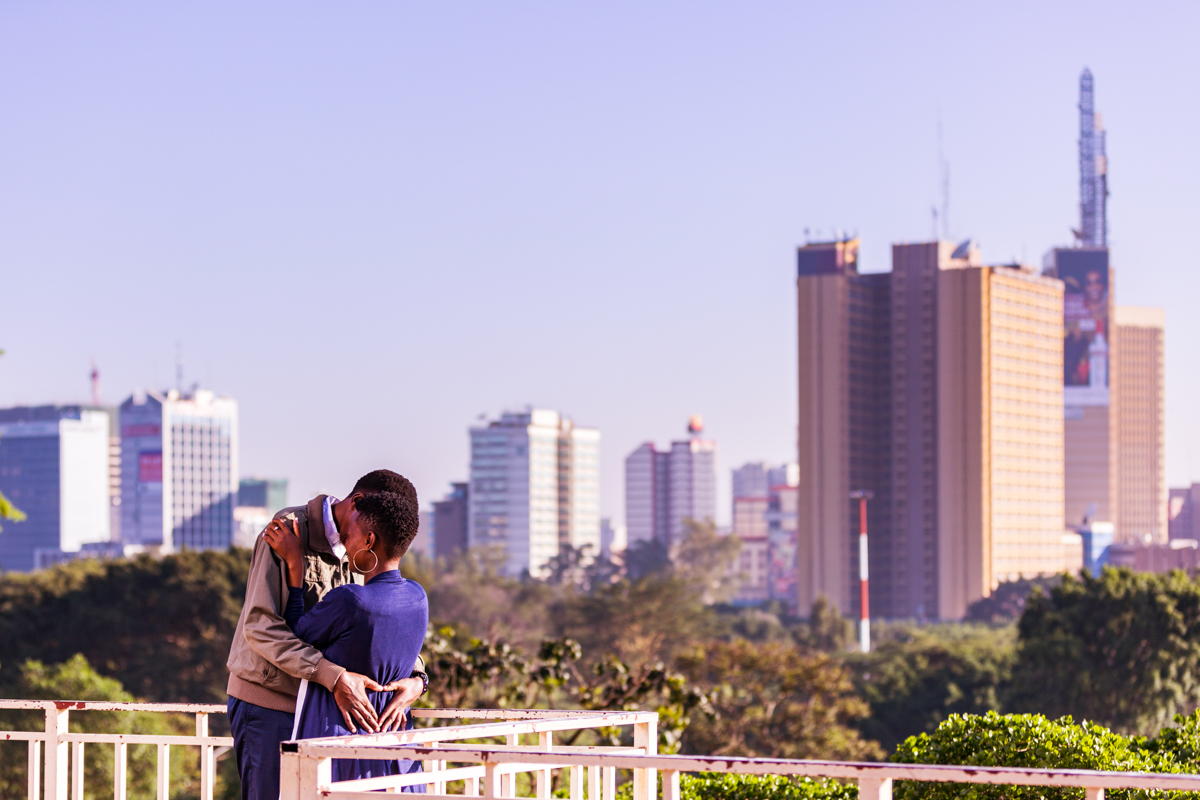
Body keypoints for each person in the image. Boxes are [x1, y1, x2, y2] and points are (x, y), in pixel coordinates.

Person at [225, 470, 427, 800]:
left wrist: (418, 678)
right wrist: (332, 676)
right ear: (360, 506)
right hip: (272, 704)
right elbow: (260, 626)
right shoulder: (288, 528)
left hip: (324, 714)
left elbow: (375, 625)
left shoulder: (367, 553)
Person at [268, 490, 428, 785]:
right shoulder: (418, 597)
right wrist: (422, 681)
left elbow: (295, 635)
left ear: (369, 541)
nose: (344, 541)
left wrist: (294, 566)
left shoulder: (350, 600)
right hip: (395, 744)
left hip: (340, 737)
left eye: (350, 533)